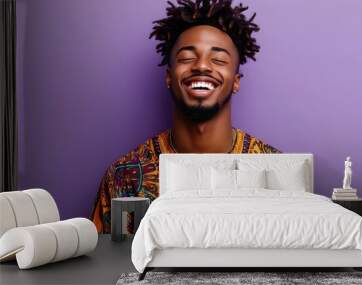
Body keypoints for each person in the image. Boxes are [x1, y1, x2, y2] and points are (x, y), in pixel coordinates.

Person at [91, 0, 281, 233]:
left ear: (236, 81)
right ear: (169, 77)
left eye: (219, 59)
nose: (202, 66)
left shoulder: (275, 168)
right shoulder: (124, 176)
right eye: (187, 58)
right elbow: (106, 264)